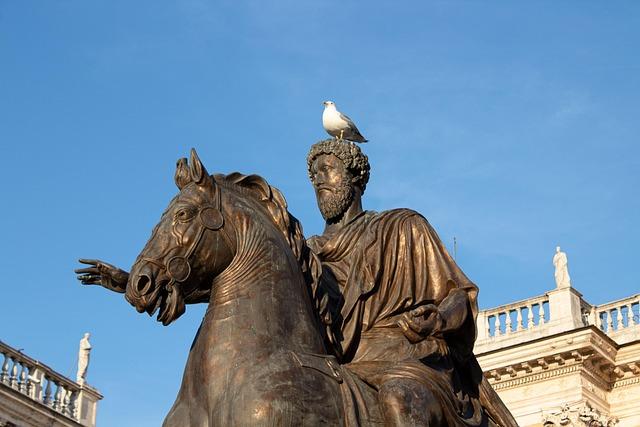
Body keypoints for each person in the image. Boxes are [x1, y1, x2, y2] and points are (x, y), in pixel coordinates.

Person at [306, 139, 516, 427]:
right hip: (337, 362)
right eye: (313, 175)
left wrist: (439, 319)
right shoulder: (308, 255)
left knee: (400, 398)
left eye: (327, 169)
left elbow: (457, 296)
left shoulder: (403, 227)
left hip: (405, 359)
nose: (319, 180)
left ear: (355, 177)